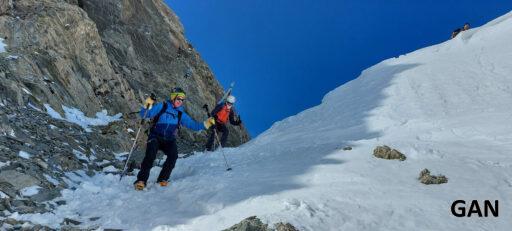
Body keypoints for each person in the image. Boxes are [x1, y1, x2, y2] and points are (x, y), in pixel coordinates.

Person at [134, 87, 215, 190]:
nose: (180, 102)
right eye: (178, 99)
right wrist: (148, 102)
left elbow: (194, 125)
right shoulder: (162, 106)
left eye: (182, 100)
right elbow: (144, 114)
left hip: (169, 139)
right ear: (173, 98)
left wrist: (207, 123)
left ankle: (162, 179)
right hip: (155, 136)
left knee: (173, 156)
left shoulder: (181, 114)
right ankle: (141, 180)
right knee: (150, 155)